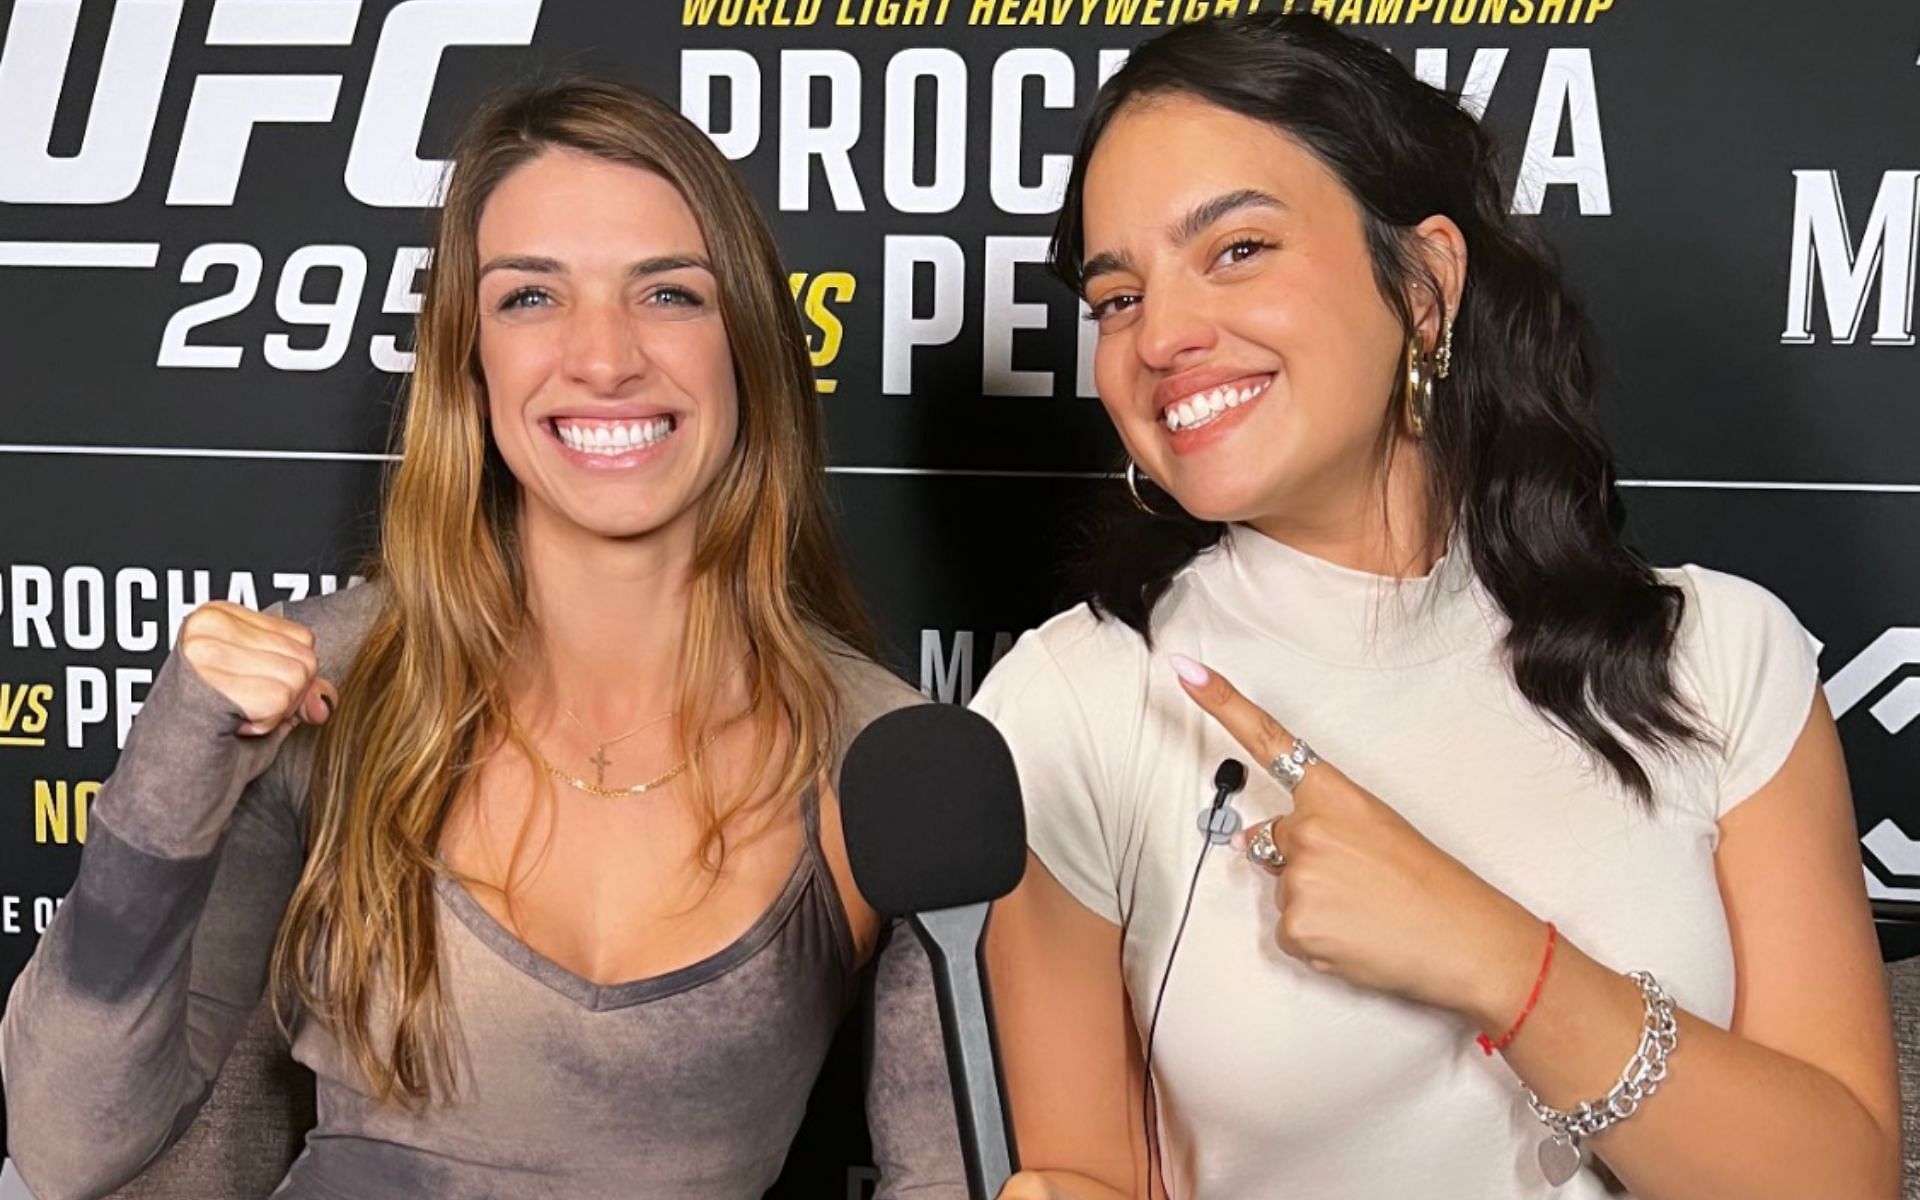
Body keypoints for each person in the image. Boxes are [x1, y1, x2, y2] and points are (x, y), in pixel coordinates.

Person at [975, 14, 1899, 1199]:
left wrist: (1494, 958)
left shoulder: (1721, 654)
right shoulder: (1071, 708)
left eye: (1239, 249)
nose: (1163, 336)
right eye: (1115, 298)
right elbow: (1088, 1176)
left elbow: (1843, 1180)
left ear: (1423, 284)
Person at [1, 78, 962, 1200]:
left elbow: (946, 1178)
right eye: (528, 299)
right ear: (469, 360)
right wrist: (175, 757)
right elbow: (69, 1149)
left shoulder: (887, 755)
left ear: (746, 342)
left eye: (667, 293)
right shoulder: (327, 682)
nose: (603, 358)